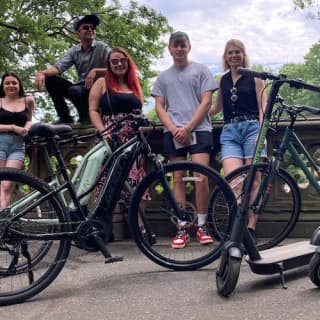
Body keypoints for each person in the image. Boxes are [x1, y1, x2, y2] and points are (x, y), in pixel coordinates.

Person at [152, 31, 218, 249]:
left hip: (199, 129)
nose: (179, 49)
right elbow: (160, 106)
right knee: (177, 178)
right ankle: (182, 225)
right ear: (169, 49)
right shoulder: (163, 77)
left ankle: (201, 224)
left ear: (189, 46)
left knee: (201, 177)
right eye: (175, 45)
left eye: (182, 45)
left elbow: (206, 102)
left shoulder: (201, 70)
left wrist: (188, 127)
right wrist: (174, 129)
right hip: (173, 132)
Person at [89, 47, 152, 242]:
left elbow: (138, 110)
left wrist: (143, 120)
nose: (118, 64)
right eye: (114, 61)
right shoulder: (102, 83)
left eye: (122, 60)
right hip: (111, 138)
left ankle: (139, 228)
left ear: (128, 62)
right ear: (108, 64)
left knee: (137, 184)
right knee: (107, 184)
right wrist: (103, 131)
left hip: (133, 140)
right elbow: (93, 110)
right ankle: (102, 230)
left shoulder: (133, 84)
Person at [210, 39, 267, 240]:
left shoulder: (255, 78)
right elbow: (216, 108)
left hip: (252, 128)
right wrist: (195, 112)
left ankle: (251, 227)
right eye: (230, 52)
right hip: (230, 131)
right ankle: (239, 225)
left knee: (254, 180)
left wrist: (262, 132)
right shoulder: (222, 80)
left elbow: (263, 108)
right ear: (225, 56)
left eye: (238, 52)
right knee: (234, 180)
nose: (234, 55)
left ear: (243, 55)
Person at [35, 14, 110, 125]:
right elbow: (58, 67)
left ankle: (88, 116)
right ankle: (65, 117)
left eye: (92, 28)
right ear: (77, 33)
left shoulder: (102, 47)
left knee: (76, 90)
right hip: (82, 90)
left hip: (101, 90)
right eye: (86, 27)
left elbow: (117, 67)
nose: (90, 30)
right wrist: (42, 73)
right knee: (51, 80)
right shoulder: (73, 51)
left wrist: (96, 71)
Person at [0, 72, 34, 209]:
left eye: (14, 83)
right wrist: (13, 127)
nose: (11, 85)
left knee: (8, 185)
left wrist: (26, 128)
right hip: (0, 143)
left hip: (18, 147)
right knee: (1, 184)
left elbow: (30, 120)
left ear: (19, 85)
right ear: (2, 86)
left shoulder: (28, 100)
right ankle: (2, 220)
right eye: (7, 83)